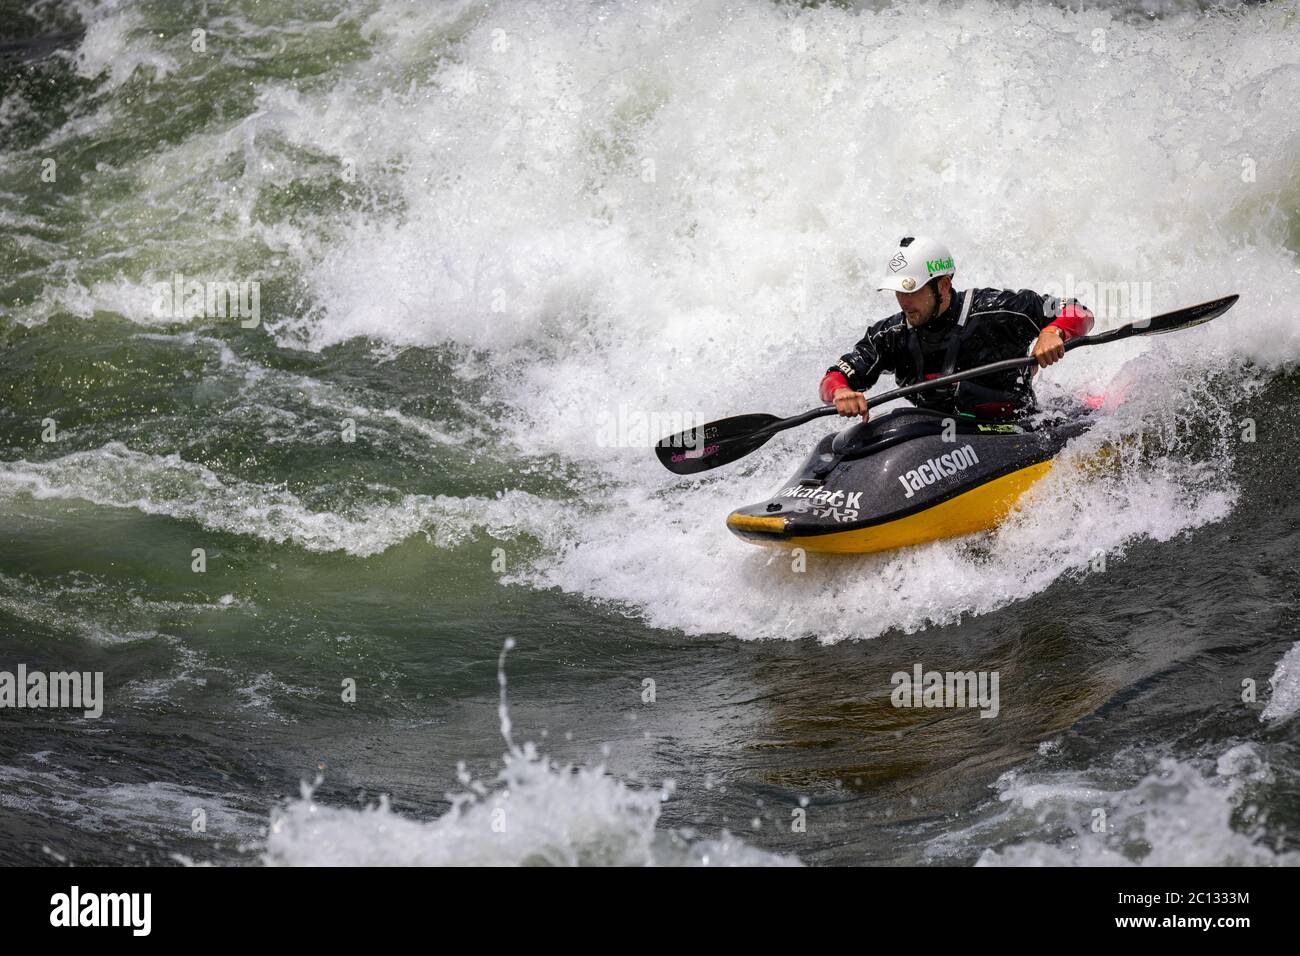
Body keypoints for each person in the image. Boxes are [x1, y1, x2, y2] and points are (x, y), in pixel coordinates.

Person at [820, 236, 1095, 421]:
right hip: (936, 445)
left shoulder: (997, 309)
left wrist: (1053, 332)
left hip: (1013, 430)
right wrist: (840, 392)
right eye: (899, 292)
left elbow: (1078, 311)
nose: (904, 302)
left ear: (943, 286)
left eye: (912, 291)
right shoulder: (891, 335)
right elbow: (835, 376)